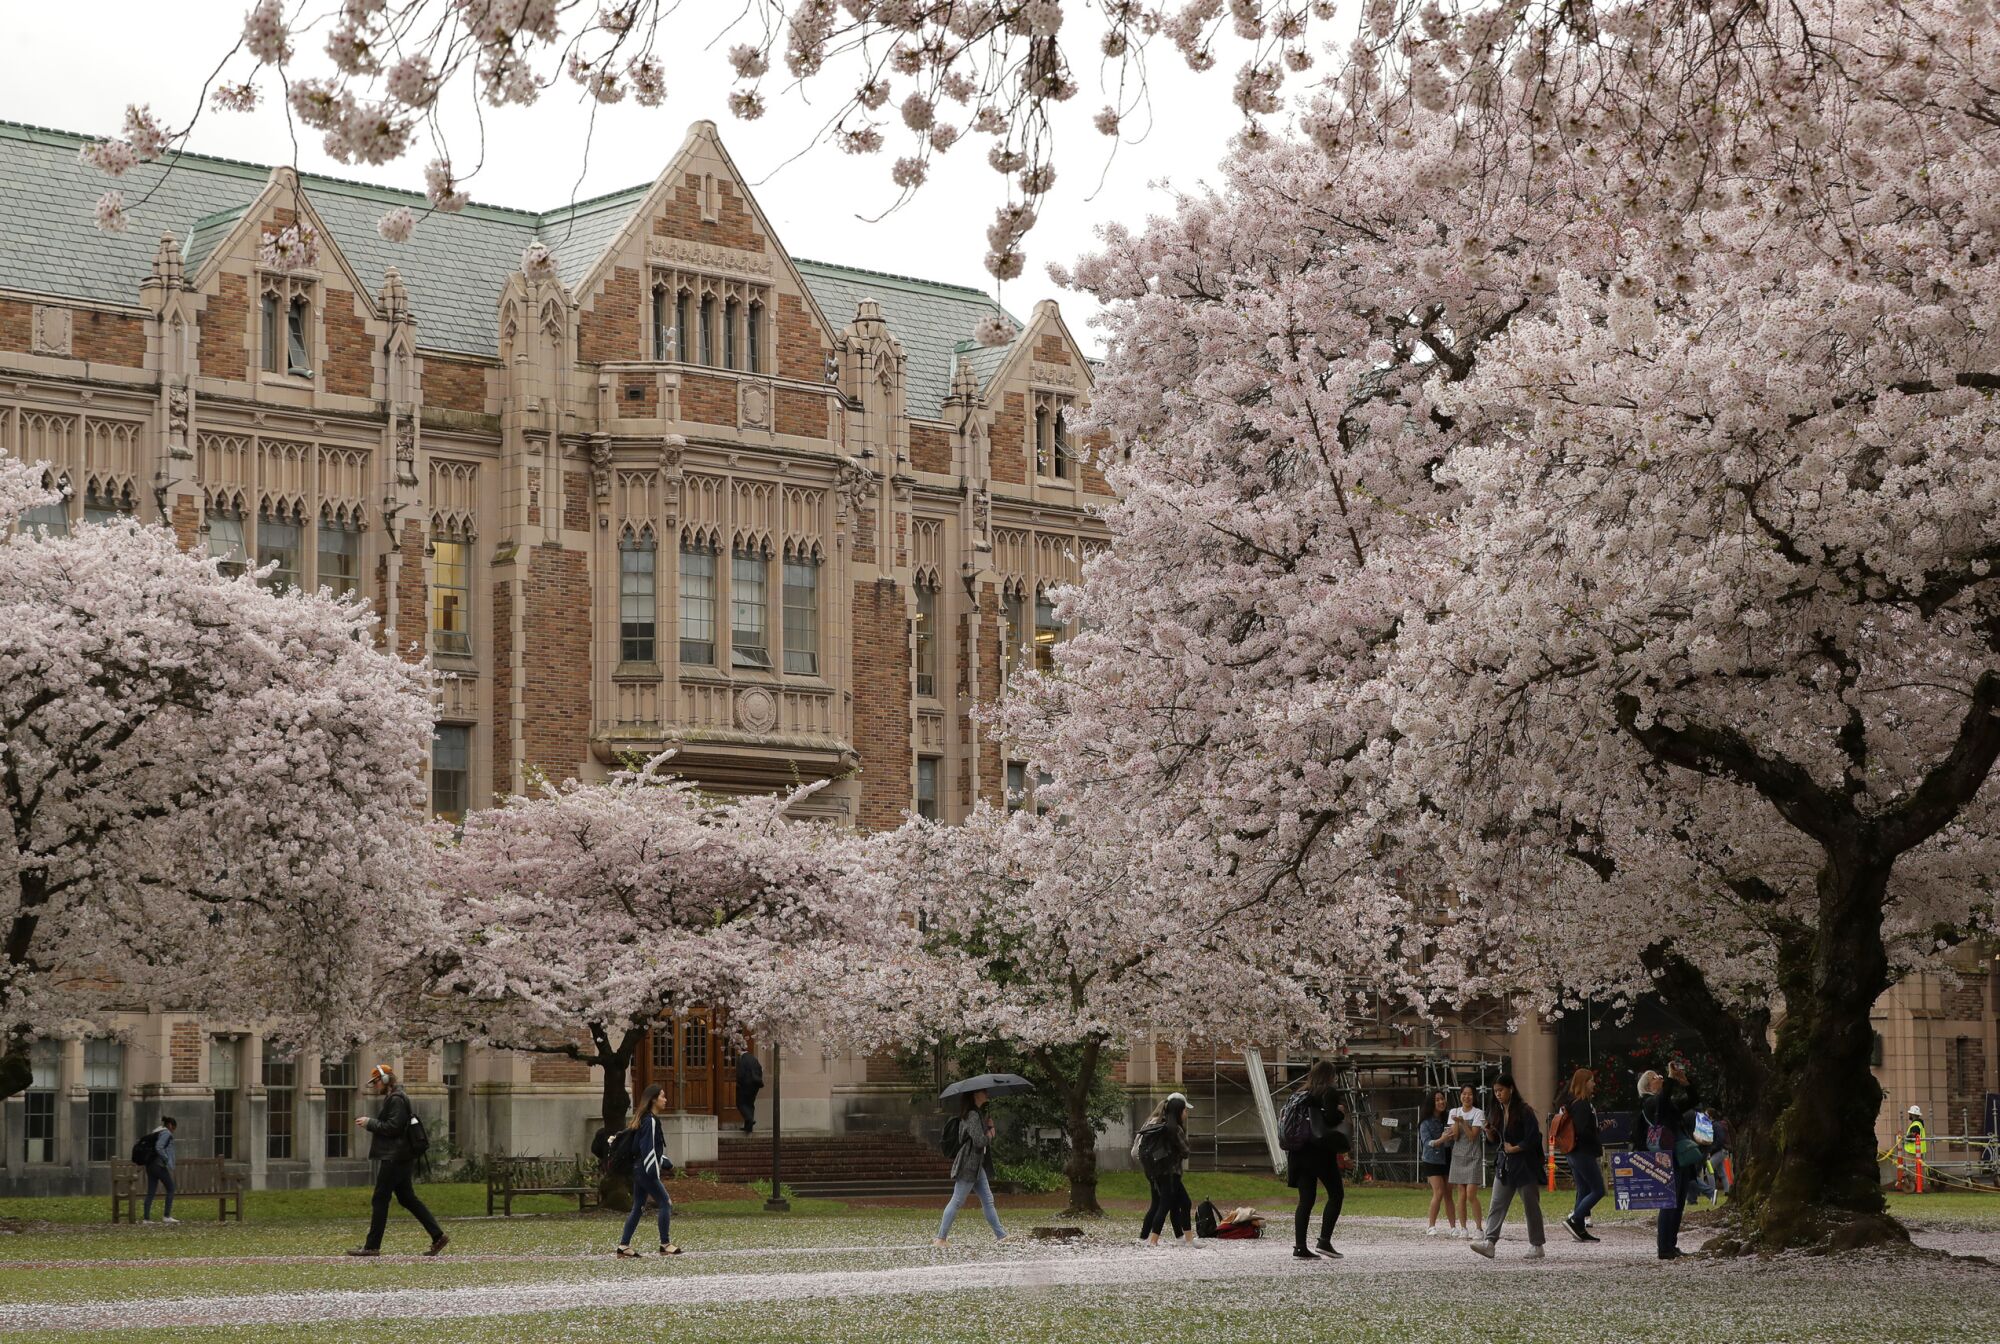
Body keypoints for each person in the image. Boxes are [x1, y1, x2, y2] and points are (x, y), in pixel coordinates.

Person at [347, 1064, 448, 1258]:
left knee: (380, 1198)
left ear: (385, 1080)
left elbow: (393, 1127)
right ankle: (438, 1235)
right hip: (400, 1156)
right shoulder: (396, 1098)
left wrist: (370, 1123)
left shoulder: (396, 1099)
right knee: (407, 1198)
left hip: (394, 1157)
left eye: (376, 1081)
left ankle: (372, 1246)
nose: (375, 1086)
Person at [1469, 1073, 1546, 1261]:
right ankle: (1489, 1242)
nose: (1498, 1094)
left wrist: (1515, 1148)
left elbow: (1534, 1137)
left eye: (1501, 1090)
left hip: (1525, 1165)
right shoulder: (1497, 1111)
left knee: (1530, 1205)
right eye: (1495, 1091)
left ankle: (1537, 1245)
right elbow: (1495, 1140)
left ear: (1511, 1089)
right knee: (1497, 1203)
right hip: (1506, 1164)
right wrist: (1488, 1131)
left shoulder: (1524, 1111)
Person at [1287, 1060, 1348, 1261]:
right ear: (1329, 1076)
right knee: (1336, 1194)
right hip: (1319, 1153)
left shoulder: (1300, 1094)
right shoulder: (1327, 1092)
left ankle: (1300, 1247)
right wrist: (1339, 1111)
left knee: (1306, 1200)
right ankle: (1324, 1240)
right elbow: (1330, 1120)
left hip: (1299, 1152)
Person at [1639, 1060, 1699, 1260]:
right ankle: (1664, 1247)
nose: (1660, 1078)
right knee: (1669, 1202)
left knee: (1679, 1201)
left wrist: (1684, 1082)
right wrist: (1671, 1080)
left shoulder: (1667, 1103)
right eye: (1655, 1078)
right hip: (1666, 1156)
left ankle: (1671, 1244)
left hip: (1678, 1156)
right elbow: (1662, 1101)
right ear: (1648, 1087)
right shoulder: (1650, 1103)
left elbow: (1693, 1100)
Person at [616, 1083, 681, 1257]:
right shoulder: (650, 1120)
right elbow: (648, 1149)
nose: (665, 1100)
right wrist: (654, 1172)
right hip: (645, 1171)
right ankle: (665, 1243)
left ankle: (624, 1245)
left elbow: (644, 1148)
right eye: (662, 1096)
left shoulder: (644, 1119)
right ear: (653, 1099)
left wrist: (664, 1161)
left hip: (639, 1169)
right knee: (665, 1203)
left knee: (638, 1207)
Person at [935, 1089, 1006, 1246]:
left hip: (976, 1165)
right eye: (983, 1091)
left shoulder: (977, 1114)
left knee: (988, 1200)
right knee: (957, 1200)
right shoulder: (972, 1115)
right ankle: (940, 1238)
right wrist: (990, 1135)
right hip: (969, 1164)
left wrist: (987, 1128)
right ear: (975, 1094)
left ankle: (1001, 1235)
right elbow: (979, 1141)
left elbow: (978, 1138)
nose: (987, 1093)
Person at [1136, 1092, 1196, 1246]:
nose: (1186, 1113)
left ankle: (1182, 1239)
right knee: (1166, 1205)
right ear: (1178, 1110)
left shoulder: (1154, 1124)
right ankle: (1154, 1240)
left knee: (1173, 1203)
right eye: (1184, 1110)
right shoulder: (1174, 1128)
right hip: (1171, 1173)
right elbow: (1186, 1151)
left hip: (1155, 1171)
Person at [1556, 1068, 1604, 1242]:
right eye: (1591, 1080)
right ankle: (1575, 1219)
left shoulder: (1572, 1103)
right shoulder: (1583, 1104)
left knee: (1583, 1189)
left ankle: (1580, 1230)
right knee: (1598, 1189)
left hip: (1572, 1152)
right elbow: (1583, 1130)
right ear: (1584, 1083)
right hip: (1583, 1152)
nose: (1594, 1083)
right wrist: (1595, 1135)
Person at [1445, 1084, 1486, 1238]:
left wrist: (1462, 1122)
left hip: (1473, 1155)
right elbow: (1455, 1137)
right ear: (1460, 1095)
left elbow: (1472, 1136)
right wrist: (1456, 1121)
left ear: (1474, 1097)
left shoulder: (1478, 1113)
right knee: (1460, 1194)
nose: (1466, 1097)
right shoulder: (1453, 1112)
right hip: (1458, 1156)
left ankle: (1479, 1228)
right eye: (1464, 1094)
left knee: (1471, 1194)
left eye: (1470, 1094)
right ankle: (1463, 1228)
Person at [1417, 1089, 1457, 1237]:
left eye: (1442, 1099)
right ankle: (1431, 1226)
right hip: (1432, 1159)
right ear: (1431, 1103)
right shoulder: (1425, 1122)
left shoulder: (1449, 1119)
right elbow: (1427, 1143)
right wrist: (1442, 1139)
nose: (1441, 1102)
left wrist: (1453, 1136)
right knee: (1438, 1191)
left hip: (1447, 1157)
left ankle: (1453, 1227)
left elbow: (1453, 1138)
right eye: (1437, 1100)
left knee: (1448, 1193)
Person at [140, 1116, 178, 1225]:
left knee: (151, 1191)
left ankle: (146, 1218)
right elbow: (159, 1147)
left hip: (150, 1165)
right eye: (174, 1128)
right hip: (159, 1165)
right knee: (171, 1188)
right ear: (170, 1125)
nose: (173, 1131)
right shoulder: (166, 1133)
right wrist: (166, 1159)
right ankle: (166, 1216)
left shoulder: (156, 1132)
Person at [735, 1049, 765, 1135]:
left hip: (745, 1085)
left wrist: (738, 1083)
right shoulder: (753, 1058)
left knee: (741, 1103)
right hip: (755, 1086)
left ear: (740, 1050)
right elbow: (760, 1069)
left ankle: (749, 1119)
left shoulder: (742, 1059)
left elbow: (740, 1074)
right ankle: (748, 1127)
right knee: (750, 1104)